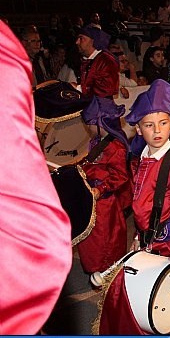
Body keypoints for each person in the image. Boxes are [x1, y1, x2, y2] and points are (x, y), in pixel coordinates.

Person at [96, 79, 170, 335]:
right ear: (139, 130)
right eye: (149, 125)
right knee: (144, 305)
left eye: (163, 123)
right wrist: (138, 235)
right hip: (149, 243)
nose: (157, 130)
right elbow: (143, 206)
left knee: (165, 308)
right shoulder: (141, 159)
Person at [0, 19, 72, 334]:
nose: (36, 44)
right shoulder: (12, 62)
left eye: (37, 40)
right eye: (31, 40)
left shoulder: (35, 62)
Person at [76, 96, 132, 277]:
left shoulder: (115, 148)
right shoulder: (96, 142)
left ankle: (105, 269)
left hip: (105, 202)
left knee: (105, 239)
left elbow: (121, 176)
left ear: (102, 123)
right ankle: (96, 267)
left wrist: (101, 188)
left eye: (91, 124)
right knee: (91, 238)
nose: (88, 128)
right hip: (92, 198)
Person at [76, 25, 119, 98]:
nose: (77, 42)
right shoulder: (89, 60)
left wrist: (79, 88)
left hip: (101, 107)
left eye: (81, 38)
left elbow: (108, 90)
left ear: (93, 41)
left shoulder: (106, 60)